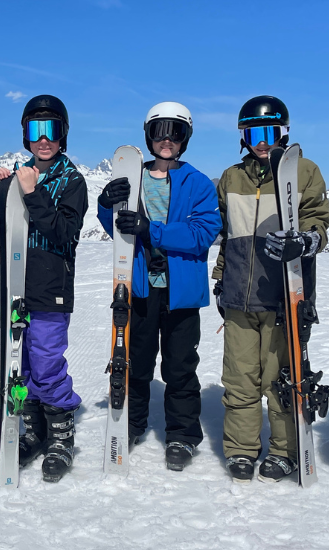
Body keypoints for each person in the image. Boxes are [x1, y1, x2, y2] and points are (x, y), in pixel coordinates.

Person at [97, 102, 220, 471]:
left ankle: (182, 435)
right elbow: (116, 230)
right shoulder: (133, 178)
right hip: (141, 288)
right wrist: (106, 205)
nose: (167, 140)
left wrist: (155, 231)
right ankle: (131, 425)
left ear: (185, 139)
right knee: (135, 362)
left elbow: (203, 233)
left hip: (181, 292)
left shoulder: (197, 182)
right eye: (160, 131)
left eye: (176, 132)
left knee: (181, 366)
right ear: (149, 135)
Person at [213, 95, 329, 483]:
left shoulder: (304, 171)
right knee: (239, 379)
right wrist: (220, 281)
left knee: (281, 380)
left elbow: (318, 221)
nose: (262, 141)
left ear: (284, 131)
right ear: (244, 137)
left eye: (270, 131)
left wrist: (306, 241)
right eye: (253, 133)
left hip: (284, 297)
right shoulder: (231, 177)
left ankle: (284, 451)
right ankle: (242, 449)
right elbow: (229, 237)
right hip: (238, 298)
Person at [0, 94, 87, 483]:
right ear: (26, 135)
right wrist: (1, 195)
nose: (43, 140)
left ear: (63, 136)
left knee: (46, 364)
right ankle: (33, 430)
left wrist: (31, 193)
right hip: (13, 286)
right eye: (35, 130)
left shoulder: (73, 181)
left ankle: (60, 435)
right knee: (19, 365)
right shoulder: (17, 175)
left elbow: (63, 233)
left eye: (52, 131)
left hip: (49, 287)